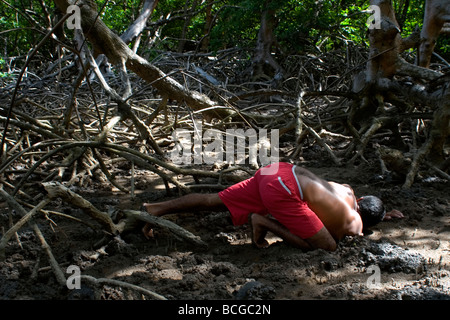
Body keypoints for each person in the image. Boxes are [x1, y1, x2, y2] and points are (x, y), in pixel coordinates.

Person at [142, 162, 403, 251]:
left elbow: (355, 206)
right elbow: (355, 234)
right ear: (365, 220)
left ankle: (156, 208)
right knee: (328, 247)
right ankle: (262, 221)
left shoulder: (348, 191)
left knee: (214, 201)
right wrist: (378, 221)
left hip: (278, 170)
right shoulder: (357, 224)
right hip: (284, 190)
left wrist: (384, 213)